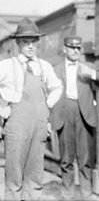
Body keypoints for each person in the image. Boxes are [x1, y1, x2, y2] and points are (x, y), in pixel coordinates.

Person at [0, 17, 63, 201]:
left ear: (38, 43)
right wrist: (2, 107)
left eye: (33, 42)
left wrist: (48, 104)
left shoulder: (44, 67)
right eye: (25, 42)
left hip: (39, 126)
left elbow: (57, 87)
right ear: (18, 43)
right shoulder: (6, 66)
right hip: (16, 125)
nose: (29, 46)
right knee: (14, 173)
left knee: (35, 172)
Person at [50, 36, 99, 200]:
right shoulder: (55, 70)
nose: (76, 51)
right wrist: (49, 119)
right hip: (64, 113)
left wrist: (92, 74)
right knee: (66, 159)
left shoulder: (88, 67)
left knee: (85, 159)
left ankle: (86, 195)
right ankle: (67, 194)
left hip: (83, 113)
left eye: (78, 48)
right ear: (65, 49)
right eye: (72, 48)